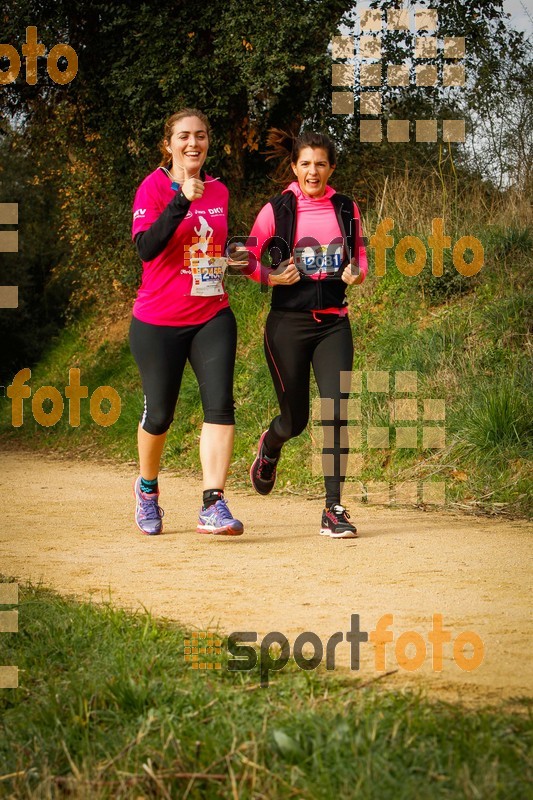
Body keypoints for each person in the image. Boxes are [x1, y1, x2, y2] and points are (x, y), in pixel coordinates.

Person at [243, 130, 368, 538]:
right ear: (294, 167)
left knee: (336, 412)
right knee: (295, 420)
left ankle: (333, 508)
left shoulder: (347, 208)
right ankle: (270, 444)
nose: (313, 171)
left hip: (334, 322)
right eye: (305, 163)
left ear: (331, 167)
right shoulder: (276, 209)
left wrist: (357, 273)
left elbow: (361, 257)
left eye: (321, 163)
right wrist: (271, 277)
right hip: (288, 327)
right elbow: (244, 256)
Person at [129, 108, 247, 536]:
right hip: (158, 320)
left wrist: (234, 259)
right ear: (169, 144)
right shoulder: (153, 187)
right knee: (159, 414)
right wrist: (182, 198)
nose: (192, 143)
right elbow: (147, 247)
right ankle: (147, 490)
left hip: (211, 313)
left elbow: (211, 246)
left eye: (200, 136)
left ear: (208, 142)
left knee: (220, 405)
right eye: (184, 136)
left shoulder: (220, 190)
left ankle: (212, 503)